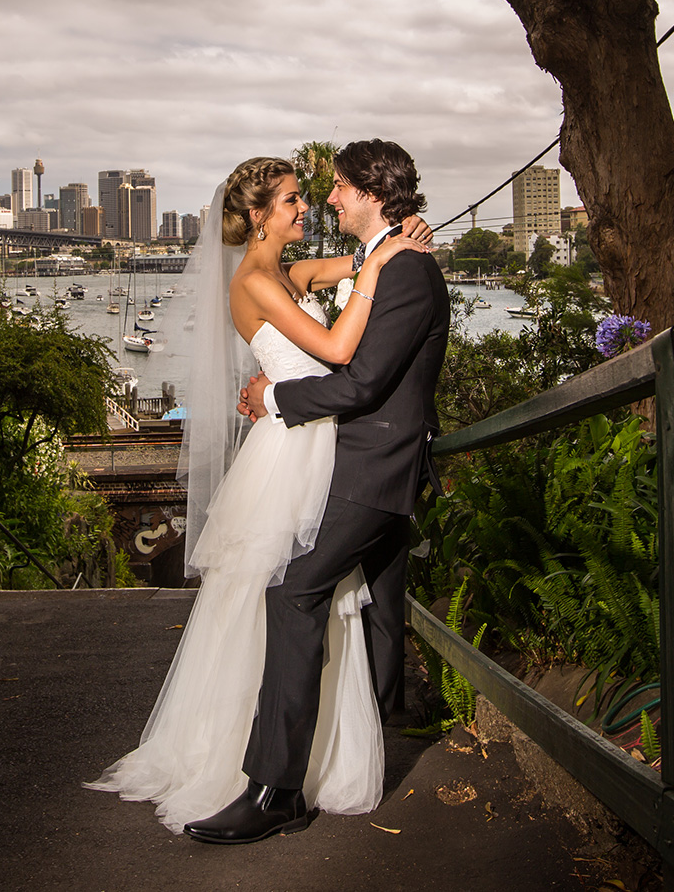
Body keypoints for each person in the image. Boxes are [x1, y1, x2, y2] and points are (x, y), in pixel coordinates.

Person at [85, 152, 434, 836]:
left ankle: (305, 763)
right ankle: (246, 763)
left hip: (320, 443)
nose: (305, 207)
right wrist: (379, 268)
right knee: (273, 593)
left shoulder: (291, 273)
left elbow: (362, 266)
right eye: (291, 200)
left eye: (309, 195)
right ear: (257, 215)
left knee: (313, 596)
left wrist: (392, 244)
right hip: (289, 454)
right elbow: (337, 348)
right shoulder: (252, 282)